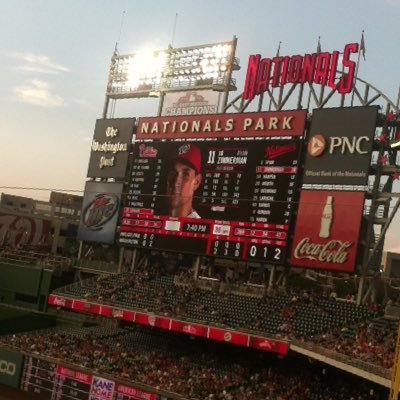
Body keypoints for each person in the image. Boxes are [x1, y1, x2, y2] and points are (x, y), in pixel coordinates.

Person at [166, 143, 202, 218]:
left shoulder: (197, 226)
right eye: (173, 173)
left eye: (185, 174)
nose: (176, 183)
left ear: (196, 182)